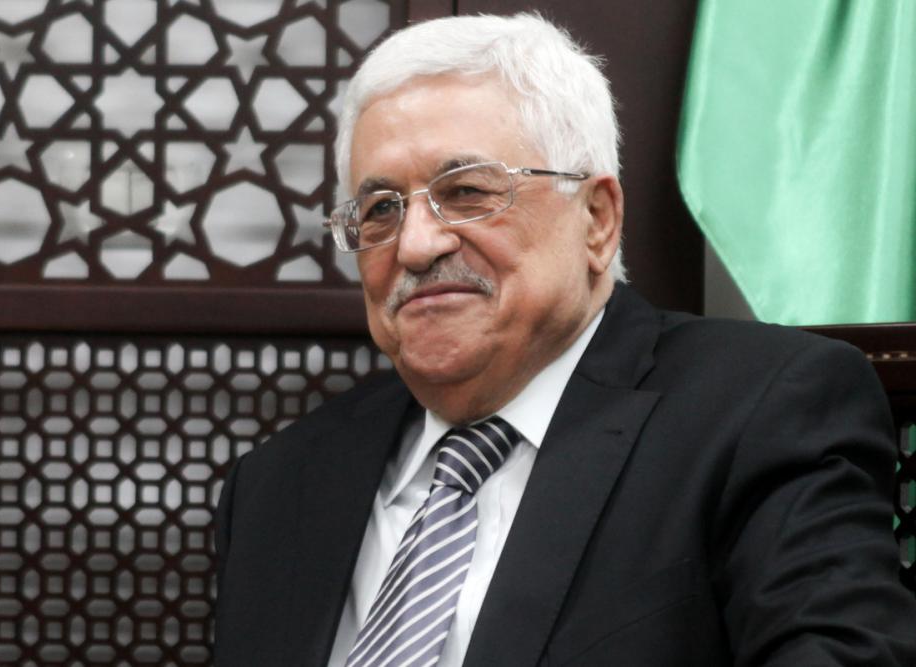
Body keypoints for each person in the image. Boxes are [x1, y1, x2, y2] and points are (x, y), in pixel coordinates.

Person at [213, 13, 916, 666]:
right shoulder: (280, 484)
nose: (416, 245)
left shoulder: (761, 412)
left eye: (466, 192)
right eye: (380, 209)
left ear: (597, 220)